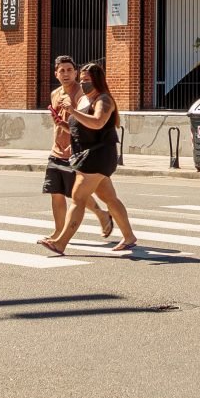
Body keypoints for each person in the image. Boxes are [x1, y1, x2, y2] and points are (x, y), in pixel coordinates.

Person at [41, 60, 136, 255]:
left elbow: (98, 123)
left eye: (87, 80)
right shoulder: (84, 99)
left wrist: (72, 111)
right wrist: (63, 123)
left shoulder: (104, 100)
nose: (83, 83)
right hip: (86, 154)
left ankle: (60, 243)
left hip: (99, 155)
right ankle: (129, 237)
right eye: (82, 79)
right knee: (110, 198)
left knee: (78, 197)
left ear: (97, 80)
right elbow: (80, 129)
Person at [43, 56, 112, 240]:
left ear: (75, 72)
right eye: (61, 70)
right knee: (56, 192)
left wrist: (72, 111)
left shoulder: (82, 94)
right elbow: (59, 123)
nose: (66, 74)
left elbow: (86, 121)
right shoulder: (55, 93)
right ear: (56, 73)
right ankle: (58, 232)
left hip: (76, 152)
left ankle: (101, 214)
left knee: (77, 194)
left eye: (69, 70)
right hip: (56, 149)